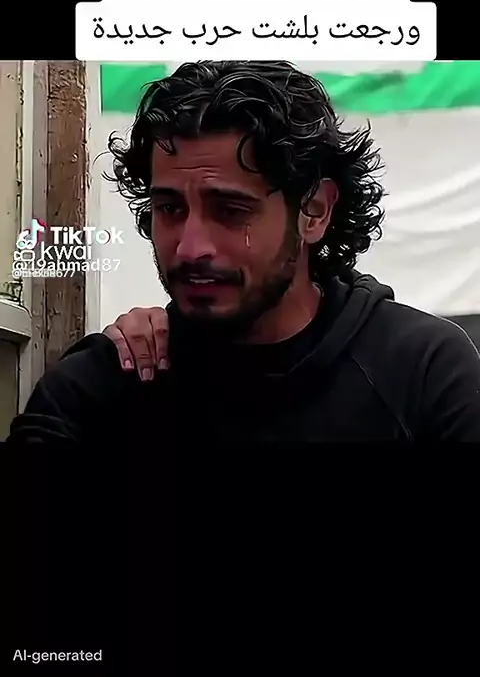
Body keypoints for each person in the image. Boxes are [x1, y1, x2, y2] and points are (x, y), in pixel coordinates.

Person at [7, 60, 480, 445]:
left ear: (314, 210)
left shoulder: (423, 374)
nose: (191, 247)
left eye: (230, 211)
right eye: (169, 208)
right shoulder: (104, 386)